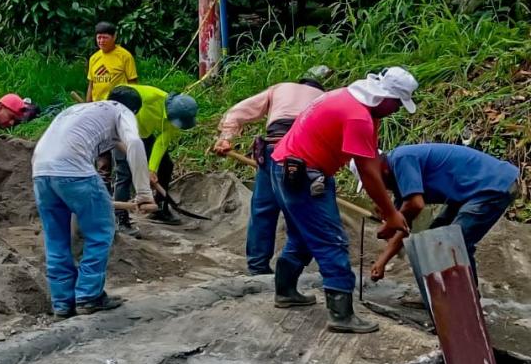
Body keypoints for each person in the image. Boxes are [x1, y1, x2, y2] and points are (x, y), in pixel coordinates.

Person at [269, 66, 419, 334]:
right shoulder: (358, 116)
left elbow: (370, 158)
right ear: (385, 97)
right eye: (397, 103)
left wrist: (384, 205)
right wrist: (391, 213)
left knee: (302, 237)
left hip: (287, 167)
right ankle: (341, 315)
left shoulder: (351, 99)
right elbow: (368, 171)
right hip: (302, 175)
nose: (397, 109)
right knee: (332, 240)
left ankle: (286, 292)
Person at [32, 88, 155, 319]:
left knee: (56, 238)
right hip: (74, 172)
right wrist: (144, 194)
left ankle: (62, 303)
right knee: (100, 231)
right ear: (134, 110)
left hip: (40, 172)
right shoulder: (122, 111)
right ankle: (89, 296)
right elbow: (135, 144)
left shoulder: (78, 110)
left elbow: (113, 142)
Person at [213, 68, 329, 275]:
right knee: (299, 212)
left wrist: (225, 138)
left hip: (272, 150)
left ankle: (257, 268)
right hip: (301, 154)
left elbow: (238, 111)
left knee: (262, 210)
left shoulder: (280, 89)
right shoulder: (325, 98)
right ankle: (291, 271)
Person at [365, 144, 520, 284]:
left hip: (492, 184)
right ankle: (442, 293)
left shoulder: (402, 159)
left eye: (376, 184)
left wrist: (389, 224)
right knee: (434, 238)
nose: (381, 190)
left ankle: (464, 300)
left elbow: (415, 205)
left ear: (381, 171)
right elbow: (403, 226)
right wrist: (381, 262)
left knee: (453, 242)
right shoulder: (398, 182)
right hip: (470, 192)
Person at [112, 84, 198, 234]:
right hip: (123, 132)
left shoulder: (174, 118)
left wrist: (152, 169)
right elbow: (118, 98)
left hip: (144, 134)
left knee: (166, 165)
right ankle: (121, 219)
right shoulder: (149, 98)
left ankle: (159, 208)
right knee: (125, 173)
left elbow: (162, 141)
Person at [86, 21, 139, 193]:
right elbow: (91, 85)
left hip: (119, 112)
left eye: (105, 37)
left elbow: (133, 84)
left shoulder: (124, 56)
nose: (101, 41)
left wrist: (133, 108)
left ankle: (123, 191)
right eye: (98, 37)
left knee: (121, 155)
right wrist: (87, 107)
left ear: (114, 37)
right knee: (102, 156)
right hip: (98, 112)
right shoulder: (94, 58)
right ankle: (105, 193)